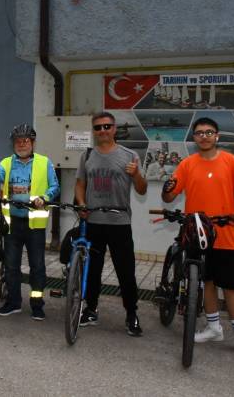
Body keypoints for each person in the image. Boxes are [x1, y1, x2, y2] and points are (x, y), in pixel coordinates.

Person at [162, 117, 234, 360]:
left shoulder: (230, 161)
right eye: (199, 133)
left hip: (225, 232)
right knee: (205, 281)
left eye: (209, 132)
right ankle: (214, 327)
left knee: (230, 285)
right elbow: (168, 197)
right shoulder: (187, 164)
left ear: (217, 136)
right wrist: (167, 188)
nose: (204, 136)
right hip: (196, 232)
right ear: (194, 137)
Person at [74, 112, 147, 336]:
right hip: (94, 221)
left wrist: (135, 175)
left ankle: (131, 314)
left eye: (107, 126)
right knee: (93, 270)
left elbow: (142, 190)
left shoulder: (129, 155)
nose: (102, 131)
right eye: (98, 128)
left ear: (114, 129)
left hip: (119, 222)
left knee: (126, 271)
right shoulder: (87, 156)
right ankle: (91, 309)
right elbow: (80, 184)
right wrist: (82, 203)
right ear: (93, 132)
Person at [0, 123, 60, 320]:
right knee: (11, 265)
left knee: (37, 266)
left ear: (33, 143)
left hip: (34, 224)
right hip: (12, 223)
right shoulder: (6, 163)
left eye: (25, 140)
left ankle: (37, 303)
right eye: (18, 141)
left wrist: (44, 198)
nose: (21, 144)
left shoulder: (45, 163)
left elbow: (55, 187)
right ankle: (13, 302)